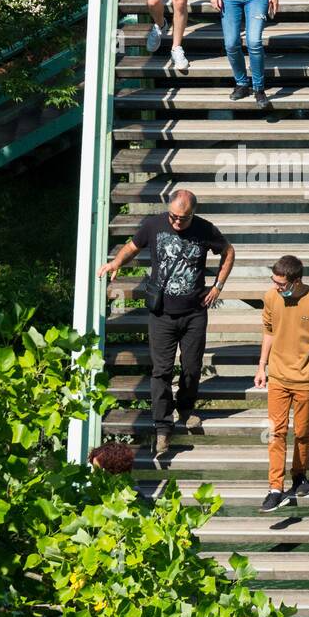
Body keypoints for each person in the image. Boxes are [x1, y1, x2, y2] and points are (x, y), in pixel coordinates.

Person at [98, 190, 235, 455]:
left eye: (182, 219)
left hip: (195, 312)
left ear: (192, 213)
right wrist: (116, 262)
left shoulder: (205, 229)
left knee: (192, 367)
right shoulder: (154, 224)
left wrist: (218, 285)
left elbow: (228, 251)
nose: (176, 223)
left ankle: (185, 409)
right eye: (173, 216)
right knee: (161, 372)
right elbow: (132, 246)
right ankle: (162, 428)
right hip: (161, 314)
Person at [254, 255, 309, 513]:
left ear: (296, 280)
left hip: (305, 379)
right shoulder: (270, 297)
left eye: (281, 283)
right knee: (276, 432)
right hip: (278, 377)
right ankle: (275, 488)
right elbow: (269, 331)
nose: (277, 287)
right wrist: (261, 367)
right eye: (274, 281)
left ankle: (299, 475)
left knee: (302, 432)